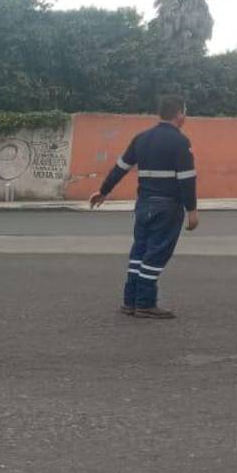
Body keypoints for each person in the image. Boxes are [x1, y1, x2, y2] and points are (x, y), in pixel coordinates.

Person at [89, 95, 199, 319]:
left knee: (139, 251)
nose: (185, 116)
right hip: (168, 206)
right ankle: (146, 303)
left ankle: (130, 301)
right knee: (157, 254)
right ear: (179, 113)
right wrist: (192, 210)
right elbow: (187, 178)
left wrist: (103, 191)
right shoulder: (180, 141)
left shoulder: (141, 138)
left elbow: (120, 168)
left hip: (144, 205)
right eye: (185, 112)